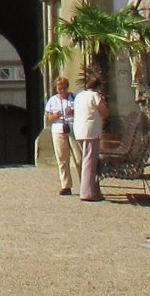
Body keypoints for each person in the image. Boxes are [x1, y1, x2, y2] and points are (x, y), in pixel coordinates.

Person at [70, 71, 106, 202]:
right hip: (91, 131)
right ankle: (87, 192)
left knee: (86, 160)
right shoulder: (95, 96)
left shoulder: (79, 96)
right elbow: (104, 112)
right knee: (90, 161)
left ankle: (88, 190)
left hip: (78, 130)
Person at [45, 75, 77, 195]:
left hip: (73, 128)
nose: (62, 91)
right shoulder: (52, 100)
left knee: (79, 158)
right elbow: (48, 118)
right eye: (59, 89)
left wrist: (73, 111)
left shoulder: (74, 98)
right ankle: (66, 185)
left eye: (64, 88)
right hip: (58, 129)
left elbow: (82, 111)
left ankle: (85, 184)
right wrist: (55, 116)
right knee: (62, 158)